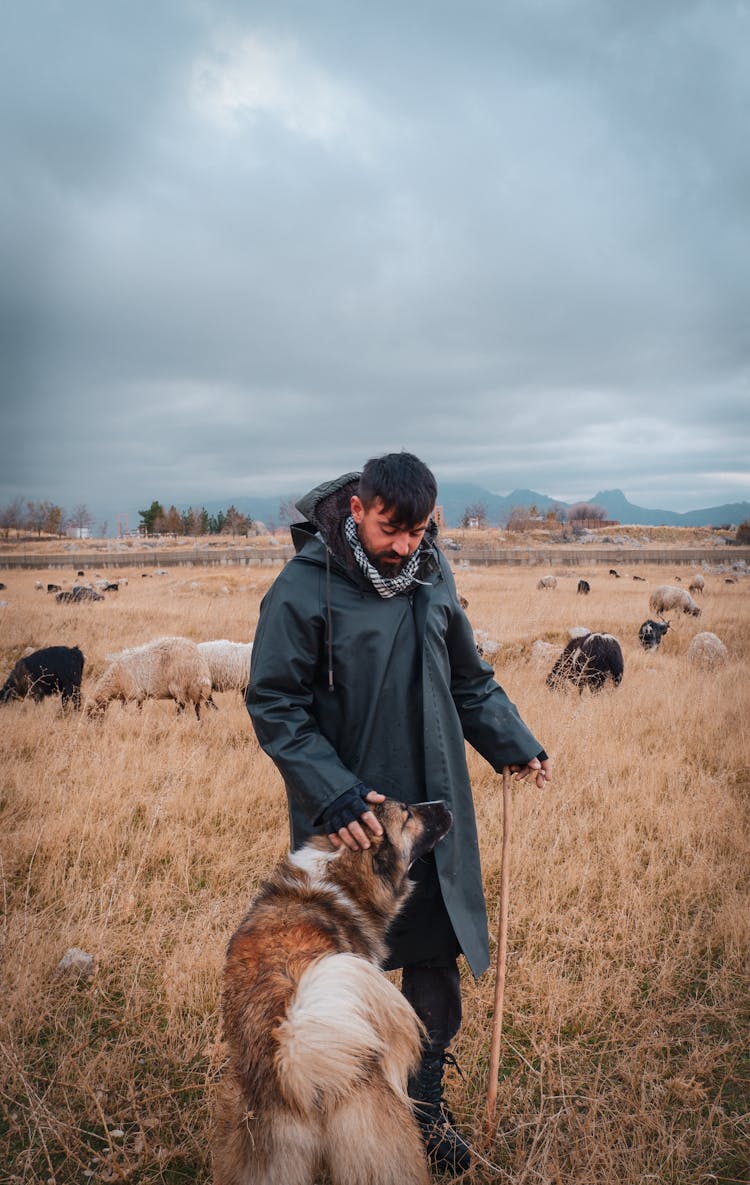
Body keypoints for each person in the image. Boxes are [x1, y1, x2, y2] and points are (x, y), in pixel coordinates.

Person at [247, 451, 551, 1176]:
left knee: (433, 957)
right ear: (358, 509)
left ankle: (423, 1106)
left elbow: (469, 680)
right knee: (342, 970)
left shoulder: (432, 572)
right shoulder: (302, 588)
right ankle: (341, 1118)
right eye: (392, 528)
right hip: (354, 820)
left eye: (419, 530)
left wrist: (514, 744)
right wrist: (334, 790)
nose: (405, 545)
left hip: (433, 811)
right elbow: (274, 702)